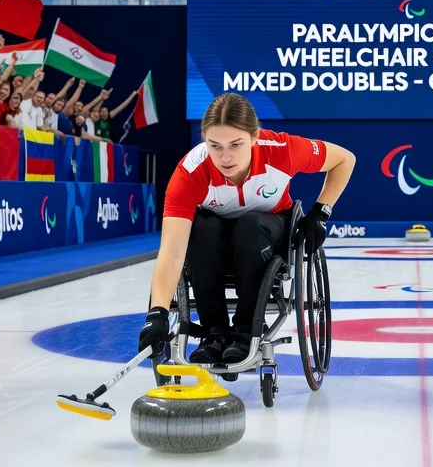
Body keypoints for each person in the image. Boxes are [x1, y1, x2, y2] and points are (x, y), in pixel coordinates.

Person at [139, 93, 356, 366]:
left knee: (250, 227)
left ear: (254, 137)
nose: (225, 156)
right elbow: (171, 252)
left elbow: (344, 160)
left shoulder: (282, 150)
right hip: (213, 238)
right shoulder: (190, 172)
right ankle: (213, 333)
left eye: (236, 144)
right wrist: (156, 313)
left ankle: (245, 332)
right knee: (202, 229)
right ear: (204, 140)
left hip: (265, 230)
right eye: (214, 145)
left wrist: (320, 213)